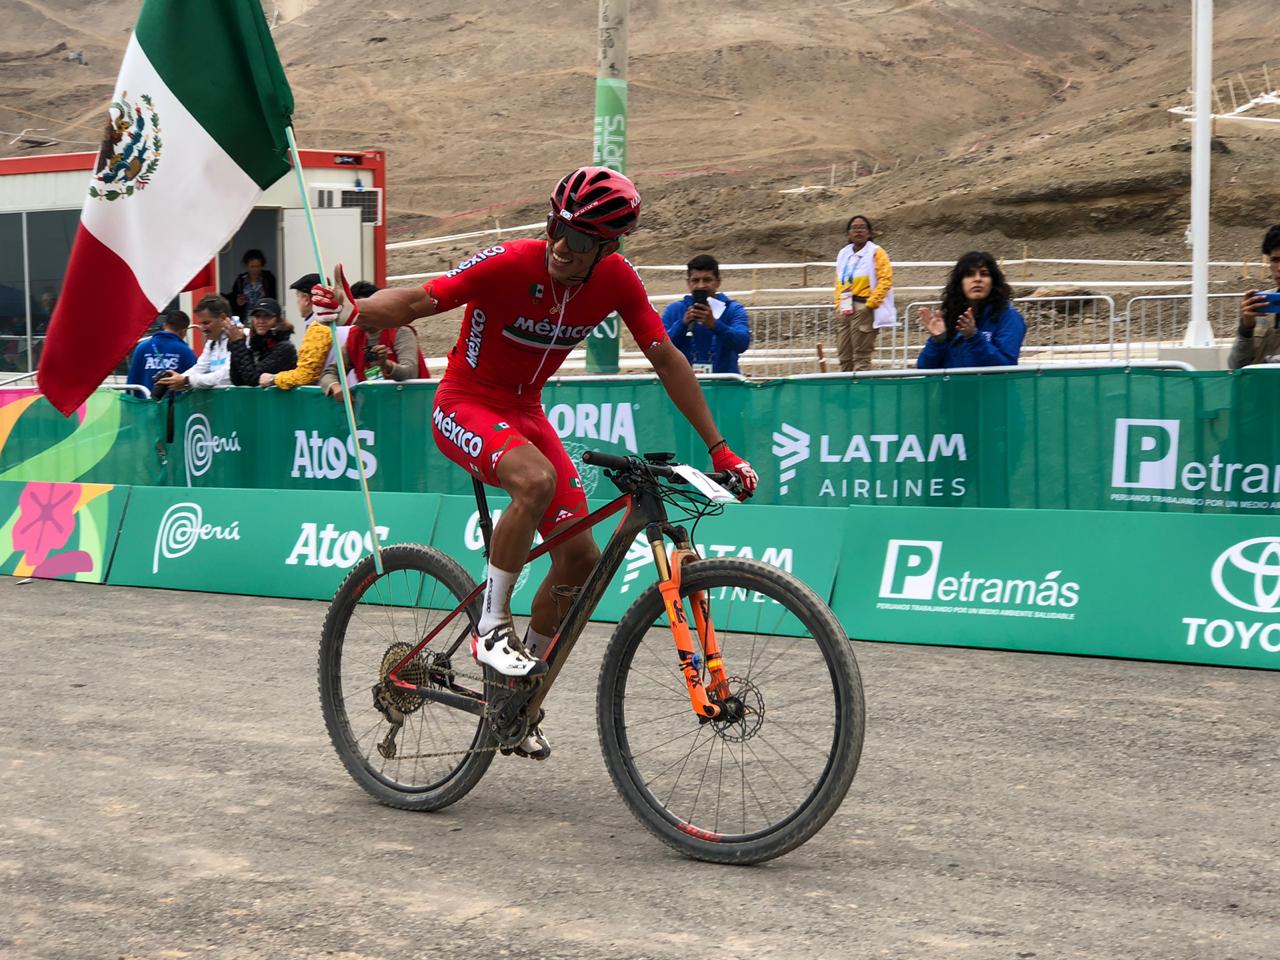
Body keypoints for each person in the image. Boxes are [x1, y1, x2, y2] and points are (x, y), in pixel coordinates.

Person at [316, 166, 757, 760]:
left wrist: (720, 447)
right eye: (557, 229)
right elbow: (424, 299)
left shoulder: (617, 280)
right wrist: (360, 310)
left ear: (607, 249)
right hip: (464, 403)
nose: (559, 248)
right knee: (537, 479)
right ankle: (491, 627)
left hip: (525, 411)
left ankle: (515, 703)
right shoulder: (511, 261)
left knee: (581, 559)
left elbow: (667, 358)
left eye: (577, 243)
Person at [319, 280, 428, 399]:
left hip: (410, 405)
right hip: (374, 409)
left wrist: (386, 365)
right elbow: (329, 373)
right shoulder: (354, 337)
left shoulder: (400, 331)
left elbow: (411, 372)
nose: (358, 316)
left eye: (362, 309)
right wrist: (335, 387)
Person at [916, 251, 1026, 368]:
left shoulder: (1009, 318)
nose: (977, 279)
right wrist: (938, 341)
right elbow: (924, 367)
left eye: (984, 274)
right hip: (953, 387)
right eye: (969, 274)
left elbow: (1006, 366)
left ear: (993, 281)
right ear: (960, 282)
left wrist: (974, 337)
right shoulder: (952, 316)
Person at [661, 255, 751, 374]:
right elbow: (661, 349)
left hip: (725, 387)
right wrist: (682, 325)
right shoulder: (674, 310)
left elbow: (742, 344)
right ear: (688, 283)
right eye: (695, 280)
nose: (701, 286)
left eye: (707, 280)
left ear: (718, 282)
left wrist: (715, 325)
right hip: (684, 387)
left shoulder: (733, 309)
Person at [833, 215, 895, 372]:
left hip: (864, 306)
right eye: (854, 228)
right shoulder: (844, 254)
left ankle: (861, 393)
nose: (858, 231)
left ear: (869, 233)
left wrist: (870, 305)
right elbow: (838, 280)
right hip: (845, 306)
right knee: (844, 354)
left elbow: (885, 280)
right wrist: (838, 304)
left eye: (862, 228)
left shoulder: (876, 252)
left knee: (861, 356)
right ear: (848, 233)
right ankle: (846, 391)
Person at [154, 295, 242, 392]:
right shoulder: (212, 342)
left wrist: (186, 380)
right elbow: (200, 368)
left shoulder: (242, 337)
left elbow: (226, 376)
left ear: (223, 318)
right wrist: (174, 379)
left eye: (206, 323)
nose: (202, 328)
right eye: (200, 323)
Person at [259, 273, 330, 389]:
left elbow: (306, 375)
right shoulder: (327, 322)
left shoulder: (319, 327)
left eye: (298, 297)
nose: (297, 301)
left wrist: (274, 379)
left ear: (306, 299)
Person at [1229, 224, 1280, 370]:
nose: (1279, 268)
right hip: (1259, 390)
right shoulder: (1261, 306)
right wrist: (1246, 328)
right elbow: (1236, 366)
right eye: (1275, 260)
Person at [126, 309, 197, 396]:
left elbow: (131, 383)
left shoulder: (142, 348)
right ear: (184, 332)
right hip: (176, 407)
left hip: (145, 406)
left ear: (164, 326)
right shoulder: (186, 352)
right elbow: (194, 384)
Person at [229, 297, 297, 386]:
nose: (261, 321)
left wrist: (238, 343)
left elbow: (253, 379)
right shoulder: (255, 345)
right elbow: (237, 380)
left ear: (277, 320)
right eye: (257, 316)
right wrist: (235, 345)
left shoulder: (285, 347)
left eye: (267, 316)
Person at [229, 249, 277, 318]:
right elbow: (234, 302)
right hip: (246, 317)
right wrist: (238, 303)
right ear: (247, 266)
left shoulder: (268, 278)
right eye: (252, 267)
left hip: (264, 316)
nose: (255, 270)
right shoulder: (240, 281)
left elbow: (273, 299)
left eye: (258, 266)